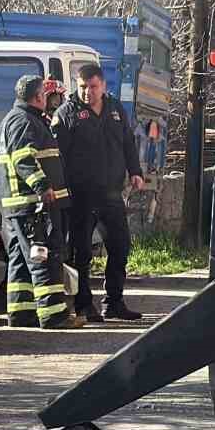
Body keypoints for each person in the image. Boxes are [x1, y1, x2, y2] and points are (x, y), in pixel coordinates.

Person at [53, 64, 145, 321]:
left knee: (120, 247)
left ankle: (114, 302)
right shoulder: (66, 113)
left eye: (93, 87)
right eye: (82, 87)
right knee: (80, 252)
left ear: (103, 86)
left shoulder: (115, 110)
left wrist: (135, 171)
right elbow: (58, 157)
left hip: (111, 194)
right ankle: (83, 304)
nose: (87, 92)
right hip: (81, 196)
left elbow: (127, 142)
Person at [0, 75, 85, 329]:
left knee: (22, 262)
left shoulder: (23, 119)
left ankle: (21, 312)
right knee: (44, 256)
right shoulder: (23, 121)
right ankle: (54, 315)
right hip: (34, 205)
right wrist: (43, 186)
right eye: (46, 95)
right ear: (38, 96)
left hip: (23, 206)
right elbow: (23, 158)